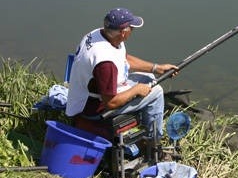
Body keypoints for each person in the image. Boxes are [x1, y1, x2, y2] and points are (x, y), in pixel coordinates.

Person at [65, 8, 179, 139]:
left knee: (149, 78)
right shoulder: (105, 62)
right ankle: (153, 141)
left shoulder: (100, 34)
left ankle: (144, 121)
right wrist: (135, 90)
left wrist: (156, 68)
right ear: (123, 33)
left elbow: (123, 58)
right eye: (132, 28)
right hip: (93, 108)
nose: (132, 31)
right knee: (157, 91)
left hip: (91, 91)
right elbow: (111, 103)